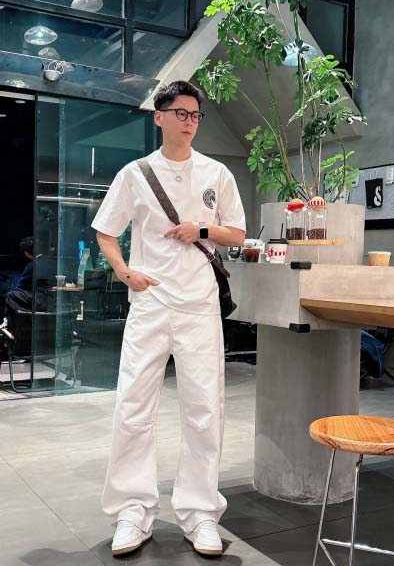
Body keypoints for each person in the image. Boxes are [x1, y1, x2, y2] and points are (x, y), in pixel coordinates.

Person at [91, 80, 246, 557]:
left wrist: (201, 228)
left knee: (204, 409)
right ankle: (132, 511)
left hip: (199, 305)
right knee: (133, 406)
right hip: (151, 303)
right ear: (158, 117)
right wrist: (125, 272)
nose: (189, 122)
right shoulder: (135, 174)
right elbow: (106, 231)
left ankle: (200, 513)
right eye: (181, 113)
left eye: (195, 115)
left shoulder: (216, 172)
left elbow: (237, 234)